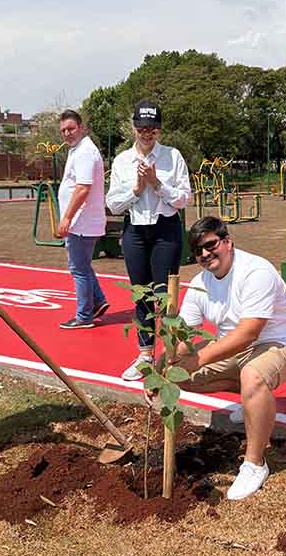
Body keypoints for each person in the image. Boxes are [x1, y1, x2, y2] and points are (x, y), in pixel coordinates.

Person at [161, 216, 286, 500]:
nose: (205, 253)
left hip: (280, 343)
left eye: (211, 244)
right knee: (177, 376)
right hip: (234, 348)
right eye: (198, 250)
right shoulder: (201, 282)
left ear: (228, 242)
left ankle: (255, 464)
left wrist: (199, 358)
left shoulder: (255, 271)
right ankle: (253, 402)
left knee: (252, 375)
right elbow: (183, 335)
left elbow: (249, 333)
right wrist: (160, 370)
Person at [107, 100, 191, 379]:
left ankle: (170, 354)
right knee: (140, 293)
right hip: (135, 231)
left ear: (159, 130)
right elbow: (114, 205)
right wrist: (136, 188)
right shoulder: (121, 161)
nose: (147, 133)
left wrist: (157, 184)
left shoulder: (172, 157)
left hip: (165, 229)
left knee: (165, 295)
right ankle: (144, 355)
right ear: (133, 127)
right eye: (142, 127)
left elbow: (183, 199)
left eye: (152, 129)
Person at [56, 109, 108, 330]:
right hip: (83, 221)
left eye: (71, 128)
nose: (67, 133)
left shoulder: (85, 151)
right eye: (63, 130)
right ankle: (97, 301)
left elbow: (83, 188)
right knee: (83, 265)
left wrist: (67, 217)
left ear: (81, 128)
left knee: (78, 268)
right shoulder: (77, 150)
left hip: (82, 222)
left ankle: (84, 315)